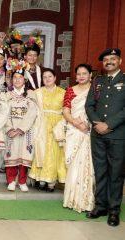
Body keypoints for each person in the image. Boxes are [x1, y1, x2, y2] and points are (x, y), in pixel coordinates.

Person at [85, 48, 125, 227]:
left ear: (120, 61)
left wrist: (109, 125)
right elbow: (89, 106)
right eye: (106, 59)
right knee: (100, 171)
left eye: (113, 58)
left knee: (116, 173)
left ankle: (114, 210)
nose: (109, 61)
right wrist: (97, 123)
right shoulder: (97, 81)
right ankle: (100, 206)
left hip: (118, 135)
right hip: (98, 135)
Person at [63, 63, 95, 213]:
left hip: (90, 131)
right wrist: (76, 123)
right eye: (79, 74)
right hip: (75, 130)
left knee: (90, 165)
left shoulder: (96, 91)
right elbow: (66, 111)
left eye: (84, 73)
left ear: (90, 75)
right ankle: (72, 199)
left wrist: (88, 125)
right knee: (74, 164)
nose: (81, 76)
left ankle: (87, 200)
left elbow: (98, 110)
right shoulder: (70, 91)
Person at [29, 69, 66, 192]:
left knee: (54, 154)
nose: (47, 79)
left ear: (55, 78)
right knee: (41, 151)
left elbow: (66, 111)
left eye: (50, 76)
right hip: (41, 124)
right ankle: (40, 179)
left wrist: (62, 125)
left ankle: (51, 182)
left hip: (57, 125)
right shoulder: (37, 92)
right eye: (44, 77)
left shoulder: (63, 92)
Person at [4, 60, 37, 192]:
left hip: (26, 129)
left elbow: (32, 112)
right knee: (11, 153)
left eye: (20, 77)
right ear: (11, 80)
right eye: (15, 78)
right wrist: (10, 128)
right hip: (11, 129)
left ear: (25, 79)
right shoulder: (6, 95)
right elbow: (4, 113)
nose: (17, 80)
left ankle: (22, 180)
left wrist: (22, 128)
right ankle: (11, 180)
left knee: (25, 154)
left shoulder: (31, 94)